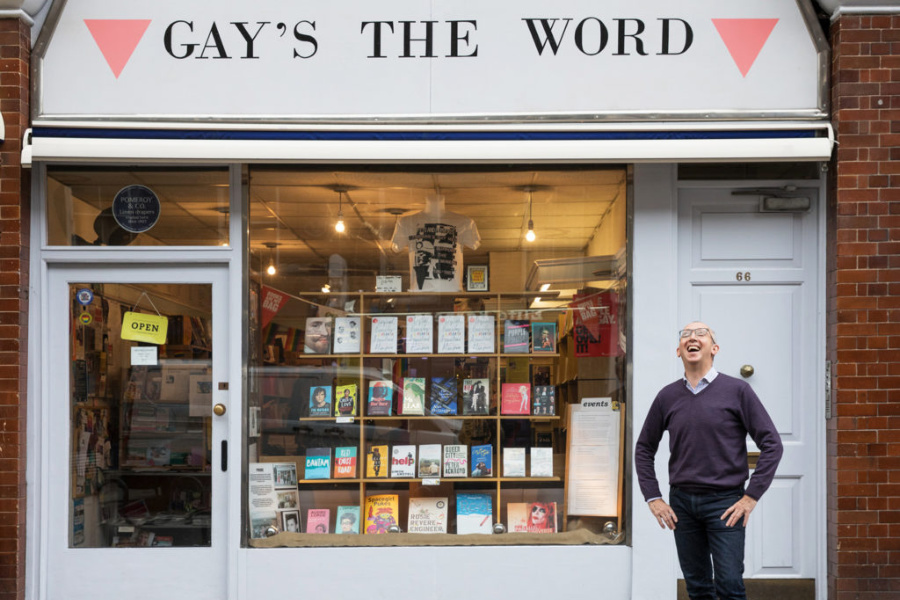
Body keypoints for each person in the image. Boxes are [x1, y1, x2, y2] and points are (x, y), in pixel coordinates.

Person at [635, 322, 783, 600]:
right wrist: (653, 497)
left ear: (714, 349)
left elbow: (772, 444)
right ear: (678, 351)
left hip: (725, 503)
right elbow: (644, 448)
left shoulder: (738, 391)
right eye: (685, 335)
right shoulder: (667, 396)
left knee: (729, 586)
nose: (692, 337)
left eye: (701, 333)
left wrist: (751, 497)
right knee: (698, 588)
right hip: (682, 504)